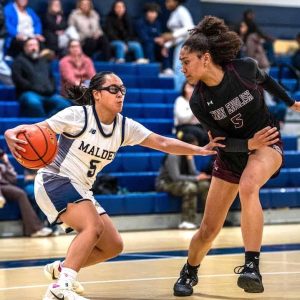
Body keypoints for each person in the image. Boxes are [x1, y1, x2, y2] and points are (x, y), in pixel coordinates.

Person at [5, 71, 224, 300]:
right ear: (96, 94)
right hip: (54, 179)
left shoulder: (124, 127)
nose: (120, 94)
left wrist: (199, 150)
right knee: (92, 227)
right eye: (113, 89)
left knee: (112, 246)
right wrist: (11, 132)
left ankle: (62, 269)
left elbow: (162, 142)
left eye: (122, 90)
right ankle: (61, 287)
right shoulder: (77, 116)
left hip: (81, 187)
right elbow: (32, 131)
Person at [172, 16, 300, 297]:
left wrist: (291, 103)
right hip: (231, 154)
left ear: (205, 58)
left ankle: (251, 266)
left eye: (186, 61)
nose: (182, 68)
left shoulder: (243, 68)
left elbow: (268, 81)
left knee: (249, 185)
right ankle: (190, 270)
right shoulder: (198, 101)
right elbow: (219, 143)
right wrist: (246, 143)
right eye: (181, 63)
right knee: (208, 230)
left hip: (266, 143)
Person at [156, 133, 211, 229]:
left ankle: (207, 221)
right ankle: (187, 221)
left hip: (182, 181)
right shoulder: (173, 155)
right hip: (166, 183)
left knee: (205, 185)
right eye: (193, 146)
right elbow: (175, 177)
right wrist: (196, 178)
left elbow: (192, 171)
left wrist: (200, 175)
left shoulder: (189, 154)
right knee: (190, 187)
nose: (195, 148)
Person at [11, 37, 71, 117]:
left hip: (47, 94)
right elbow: (18, 79)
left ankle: (47, 122)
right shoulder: (18, 61)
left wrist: (51, 89)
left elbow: (51, 78)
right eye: (30, 45)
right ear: (25, 48)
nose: (33, 48)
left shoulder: (44, 61)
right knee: (34, 103)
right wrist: (34, 88)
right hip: (28, 93)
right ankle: (42, 125)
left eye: (36, 45)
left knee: (65, 104)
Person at [0, 148, 52, 237]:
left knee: (21, 194)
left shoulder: (3, 165)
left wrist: (6, 162)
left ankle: (35, 229)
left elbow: (13, 179)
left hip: (4, 186)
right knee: (31, 192)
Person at [155, 0, 194, 89]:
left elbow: (190, 28)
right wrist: (167, 45)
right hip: (181, 44)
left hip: (187, 44)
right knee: (178, 68)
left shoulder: (182, 11)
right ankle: (180, 91)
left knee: (180, 68)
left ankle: (181, 92)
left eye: (169, 1)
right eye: (166, 1)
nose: (167, 4)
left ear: (176, 1)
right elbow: (179, 35)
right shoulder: (175, 13)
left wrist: (172, 35)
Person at [174, 81, 208, 146]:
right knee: (194, 134)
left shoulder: (199, 100)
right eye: (189, 87)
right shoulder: (180, 100)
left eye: (193, 87)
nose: (191, 90)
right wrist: (193, 107)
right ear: (184, 89)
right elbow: (182, 119)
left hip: (199, 127)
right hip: (182, 128)